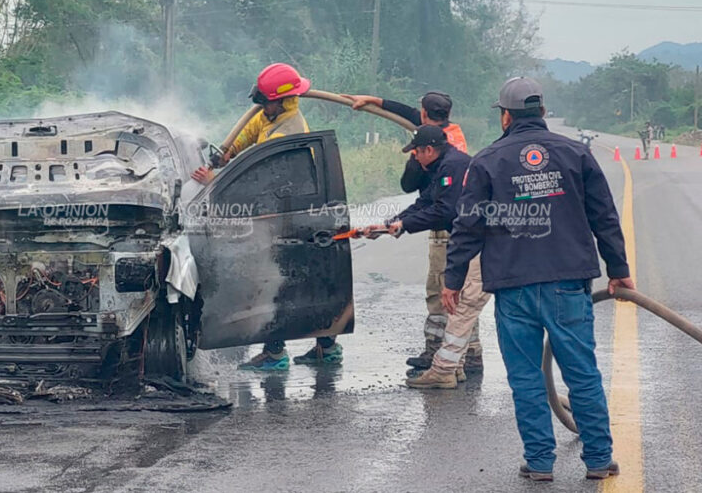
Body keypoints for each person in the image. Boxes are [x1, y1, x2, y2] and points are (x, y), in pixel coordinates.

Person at [443, 77, 632, 482]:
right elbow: (604, 216)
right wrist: (619, 270)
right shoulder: (576, 153)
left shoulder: (487, 160)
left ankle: (541, 463)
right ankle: (599, 460)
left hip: (513, 288)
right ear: (543, 112)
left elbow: (468, 225)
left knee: (526, 378)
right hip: (567, 283)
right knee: (582, 373)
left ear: (505, 117)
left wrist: (452, 279)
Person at [192, 63, 343, 371]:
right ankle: (327, 347)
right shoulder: (271, 116)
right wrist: (227, 154)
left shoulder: (287, 131)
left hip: (283, 213)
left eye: (267, 102)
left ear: (283, 100)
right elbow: (248, 134)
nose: (263, 107)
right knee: (308, 280)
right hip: (287, 206)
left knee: (274, 282)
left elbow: (260, 177)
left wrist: (214, 183)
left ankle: (275, 354)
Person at [341, 91, 482, 375]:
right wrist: (389, 224)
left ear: (428, 150)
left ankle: (447, 361)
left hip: (459, 237)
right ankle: (465, 356)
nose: (414, 156)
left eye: (416, 152)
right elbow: (425, 201)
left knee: (446, 295)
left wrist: (405, 225)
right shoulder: (443, 149)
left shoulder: (451, 165)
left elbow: (442, 209)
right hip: (458, 234)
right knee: (458, 297)